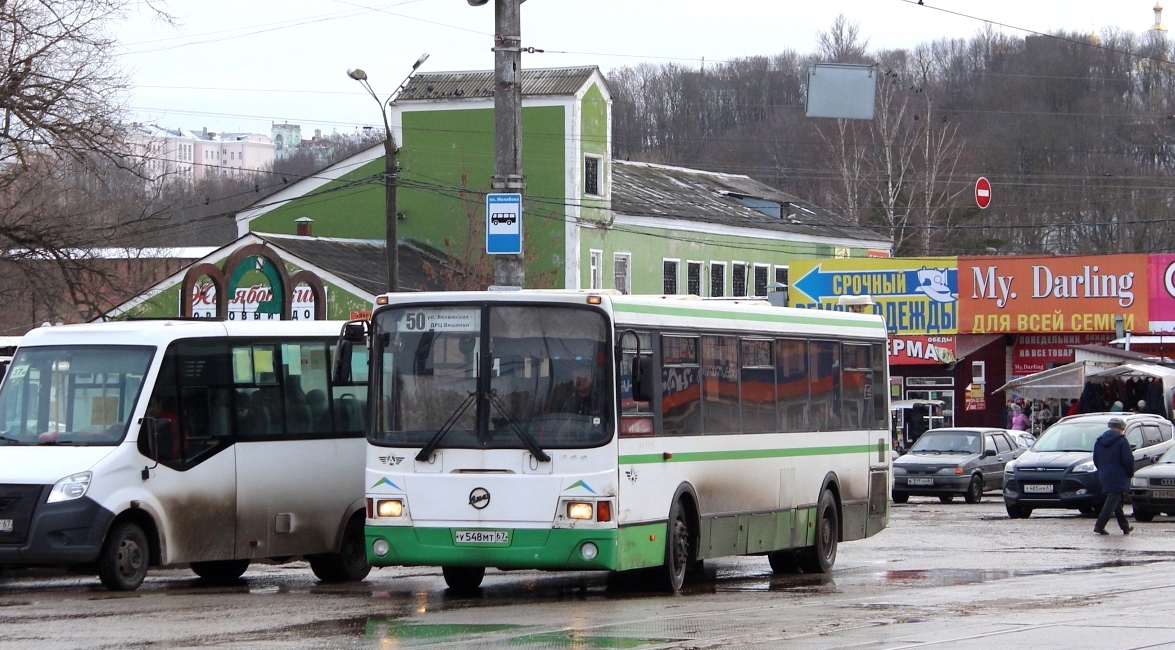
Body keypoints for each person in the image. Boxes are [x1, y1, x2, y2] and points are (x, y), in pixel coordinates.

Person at [1092, 417, 1135, 535]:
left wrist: (1102, 470)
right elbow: (1128, 460)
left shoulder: (1099, 441)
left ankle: (1125, 527)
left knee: (1116, 500)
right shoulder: (1122, 441)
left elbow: (1095, 459)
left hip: (1105, 474)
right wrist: (1130, 473)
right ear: (1119, 429)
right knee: (1112, 501)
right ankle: (1099, 525)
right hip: (1119, 475)